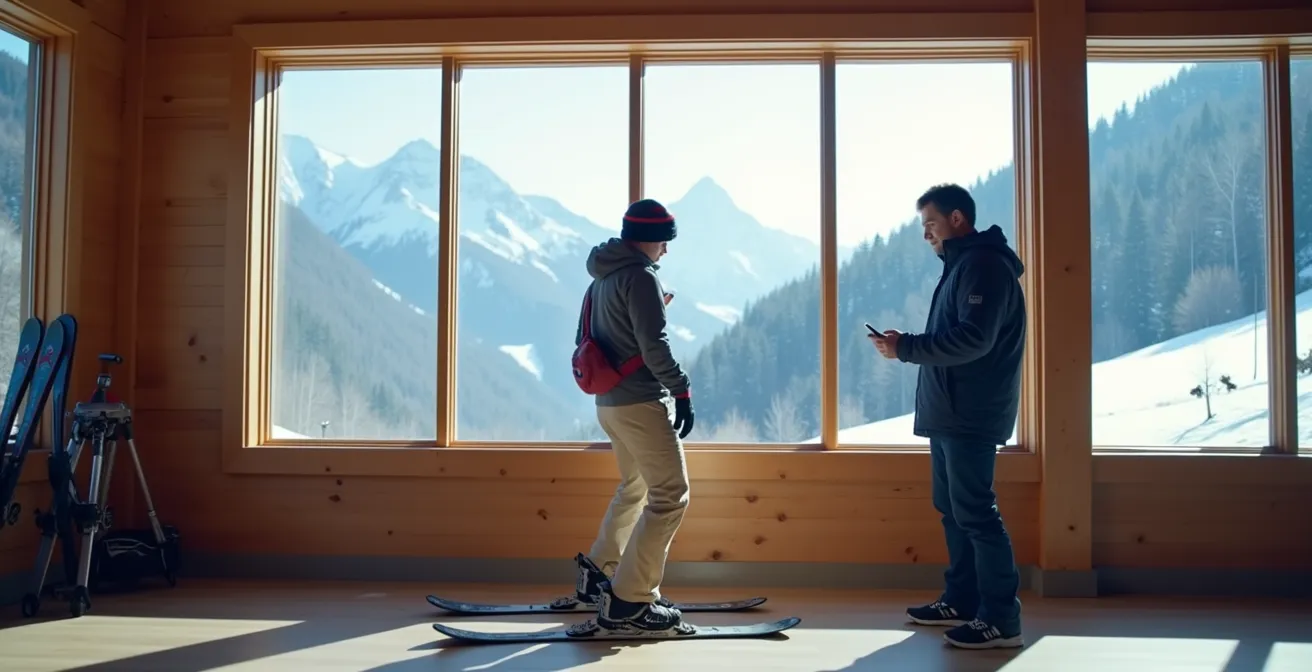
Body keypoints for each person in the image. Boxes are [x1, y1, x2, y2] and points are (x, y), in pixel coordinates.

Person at [869, 183, 1026, 650]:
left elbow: (973, 340)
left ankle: (1001, 618)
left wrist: (907, 348)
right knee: (954, 511)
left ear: (957, 219)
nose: (926, 236)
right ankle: (962, 600)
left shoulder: (983, 266)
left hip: (971, 414)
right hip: (951, 413)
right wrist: (906, 345)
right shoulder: (963, 265)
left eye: (930, 225)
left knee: (975, 512)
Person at [570, 198, 695, 634]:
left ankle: (598, 575)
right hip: (641, 402)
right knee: (671, 495)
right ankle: (631, 600)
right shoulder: (640, 277)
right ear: (651, 239)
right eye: (665, 242)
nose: (666, 251)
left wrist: (654, 306)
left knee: (635, 486)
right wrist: (681, 389)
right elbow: (653, 345)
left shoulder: (602, 276)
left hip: (609, 404)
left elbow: (600, 336)